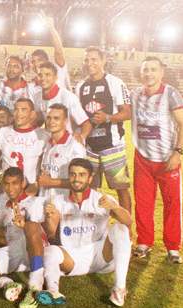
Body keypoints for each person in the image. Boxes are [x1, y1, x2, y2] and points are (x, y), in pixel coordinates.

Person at [37, 158, 133, 307]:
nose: (77, 179)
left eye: (82, 175)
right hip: (73, 256)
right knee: (50, 251)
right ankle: (53, 291)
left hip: (101, 254)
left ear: (90, 179)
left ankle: (119, 289)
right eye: (73, 174)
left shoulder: (101, 199)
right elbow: (50, 233)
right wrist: (50, 216)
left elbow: (128, 222)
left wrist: (114, 207)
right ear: (69, 177)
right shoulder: (58, 200)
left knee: (120, 229)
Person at [130, 56, 183, 263]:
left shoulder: (171, 93)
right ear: (141, 72)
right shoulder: (135, 94)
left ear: (161, 72)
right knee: (143, 203)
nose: (149, 73)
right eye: (145, 69)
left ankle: (173, 247)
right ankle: (144, 242)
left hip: (167, 160)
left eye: (153, 69)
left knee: (172, 205)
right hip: (143, 158)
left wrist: (177, 152)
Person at [0, 167, 53, 308]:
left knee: (31, 225)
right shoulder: (5, 207)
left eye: (15, 183)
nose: (10, 188)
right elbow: (2, 234)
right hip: (15, 251)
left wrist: (25, 225)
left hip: (34, 250)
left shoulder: (37, 202)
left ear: (23, 184)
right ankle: (6, 283)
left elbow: (48, 232)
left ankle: (35, 285)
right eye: (6, 183)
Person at [75, 46, 132, 213]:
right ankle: (92, 227)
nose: (90, 63)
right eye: (86, 60)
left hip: (112, 146)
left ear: (103, 61)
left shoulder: (115, 83)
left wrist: (108, 117)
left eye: (94, 59)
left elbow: (127, 112)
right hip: (90, 148)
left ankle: (126, 228)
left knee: (121, 188)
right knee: (89, 189)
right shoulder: (80, 87)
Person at [0, 98, 49, 196]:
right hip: (7, 189)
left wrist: (35, 187)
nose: (19, 113)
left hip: (29, 191)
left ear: (32, 114)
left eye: (24, 110)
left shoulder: (43, 135)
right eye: (16, 109)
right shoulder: (3, 132)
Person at [38, 104, 86, 200]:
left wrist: (51, 182)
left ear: (65, 122)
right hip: (44, 201)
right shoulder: (46, 143)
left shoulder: (75, 145)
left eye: (56, 118)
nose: (51, 122)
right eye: (48, 118)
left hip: (66, 204)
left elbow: (81, 181)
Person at [34, 61, 91, 140]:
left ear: (56, 78)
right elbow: (39, 121)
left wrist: (80, 137)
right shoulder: (37, 97)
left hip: (68, 144)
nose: (43, 78)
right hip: (51, 144)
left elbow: (86, 124)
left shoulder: (68, 97)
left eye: (47, 75)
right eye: (40, 75)